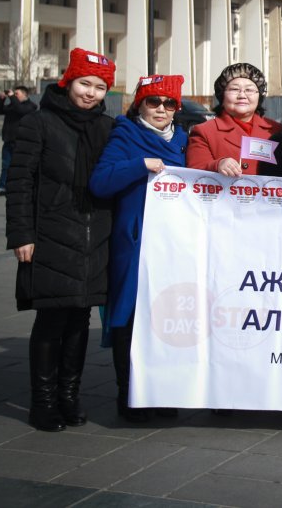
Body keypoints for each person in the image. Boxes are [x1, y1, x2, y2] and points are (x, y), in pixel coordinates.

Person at [5, 48, 116, 432]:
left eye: (100, 87)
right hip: (50, 233)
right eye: (85, 83)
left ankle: (70, 396)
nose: (91, 93)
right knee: (52, 318)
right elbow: (20, 182)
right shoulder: (38, 123)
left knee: (80, 320)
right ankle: (44, 402)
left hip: (94, 235)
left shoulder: (107, 127)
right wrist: (21, 234)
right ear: (68, 81)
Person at [88, 74, 188, 423]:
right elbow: (100, 183)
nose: (161, 109)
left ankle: (161, 391)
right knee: (130, 316)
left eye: (169, 103)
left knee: (166, 317)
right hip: (136, 242)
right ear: (139, 105)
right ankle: (128, 392)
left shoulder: (183, 140)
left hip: (173, 245)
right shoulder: (126, 135)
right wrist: (139, 165)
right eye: (153, 101)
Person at [187, 63, 281, 177]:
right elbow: (194, 172)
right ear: (222, 96)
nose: (242, 95)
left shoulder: (277, 130)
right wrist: (217, 165)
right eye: (234, 89)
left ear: (259, 96)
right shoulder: (204, 132)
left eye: (249, 90)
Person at [0, 85, 37, 196]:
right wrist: (1, 99)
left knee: (23, 167)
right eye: (14, 94)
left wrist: (12, 97)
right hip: (8, 141)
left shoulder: (30, 106)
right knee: (6, 166)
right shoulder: (13, 105)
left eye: (17, 94)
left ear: (25, 95)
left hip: (22, 142)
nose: (14, 96)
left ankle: (23, 188)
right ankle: (2, 188)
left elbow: (21, 110)